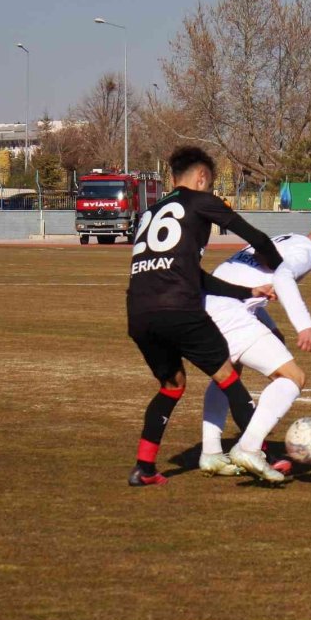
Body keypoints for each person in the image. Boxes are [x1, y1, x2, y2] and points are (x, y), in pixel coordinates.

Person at [126, 145, 285, 487]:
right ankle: (264, 455)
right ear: (201, 178)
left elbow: (191, 275)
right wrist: (280, 271)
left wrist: (246, 292)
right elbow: (255, 237)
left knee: (172, 386)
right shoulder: (201, 201)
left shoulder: (149, 213)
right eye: (209, 183)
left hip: (139, 313)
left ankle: (144, 467)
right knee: (229, 377)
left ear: (172, 178)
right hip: (179, 309)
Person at [201, 207, 311, 482]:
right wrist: (305, 325)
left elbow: (246, 281)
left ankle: (211, 452)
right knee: (293, 378)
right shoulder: (306, 252)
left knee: (227, 373)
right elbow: (282, 277)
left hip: (208, 305)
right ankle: (249, 447)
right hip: (228, 312)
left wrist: (272, 327)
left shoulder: (286, 239)